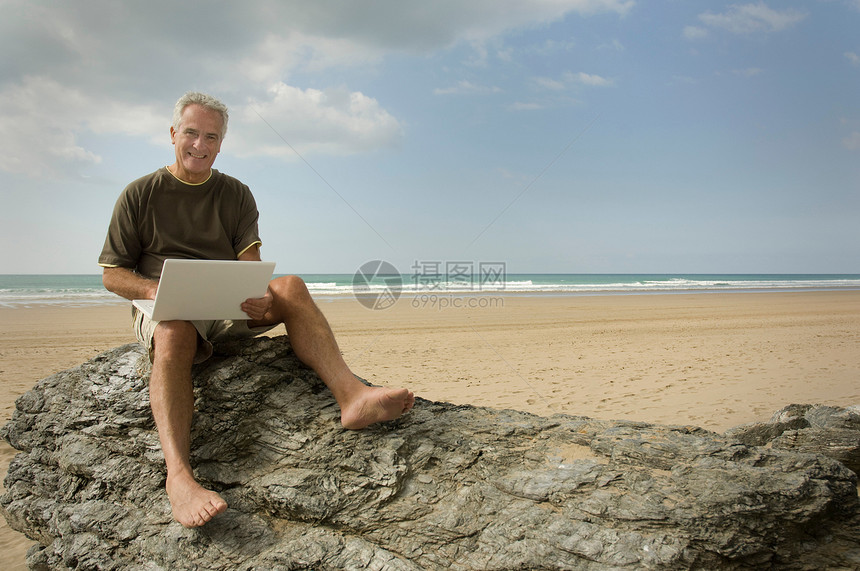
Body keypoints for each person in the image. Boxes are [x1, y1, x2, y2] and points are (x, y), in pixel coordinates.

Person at [98, 91, 415, 528]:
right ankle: (179, 477)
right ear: (173, 134)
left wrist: (261, 295)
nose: (200, 144)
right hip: (165, 305)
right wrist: (154, 290)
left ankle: (353, 397)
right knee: (173, 329)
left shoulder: (235, 193)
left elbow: (250, 265)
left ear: (220, 144)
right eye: (191, 132)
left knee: (291, 286)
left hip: (225, 304)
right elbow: (113, 274)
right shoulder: (140, 194)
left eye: (211, 136)